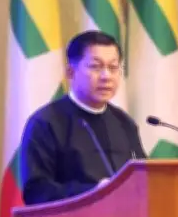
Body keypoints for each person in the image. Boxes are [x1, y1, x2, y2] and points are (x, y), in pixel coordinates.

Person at [19, 30, 147, 205]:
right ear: (70, 72)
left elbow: (142, 178)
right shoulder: (45, 123)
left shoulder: (124, 123)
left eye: (113, 68)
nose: (106, 76)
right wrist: (93, 191)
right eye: (96, 67)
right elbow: (36, 191)